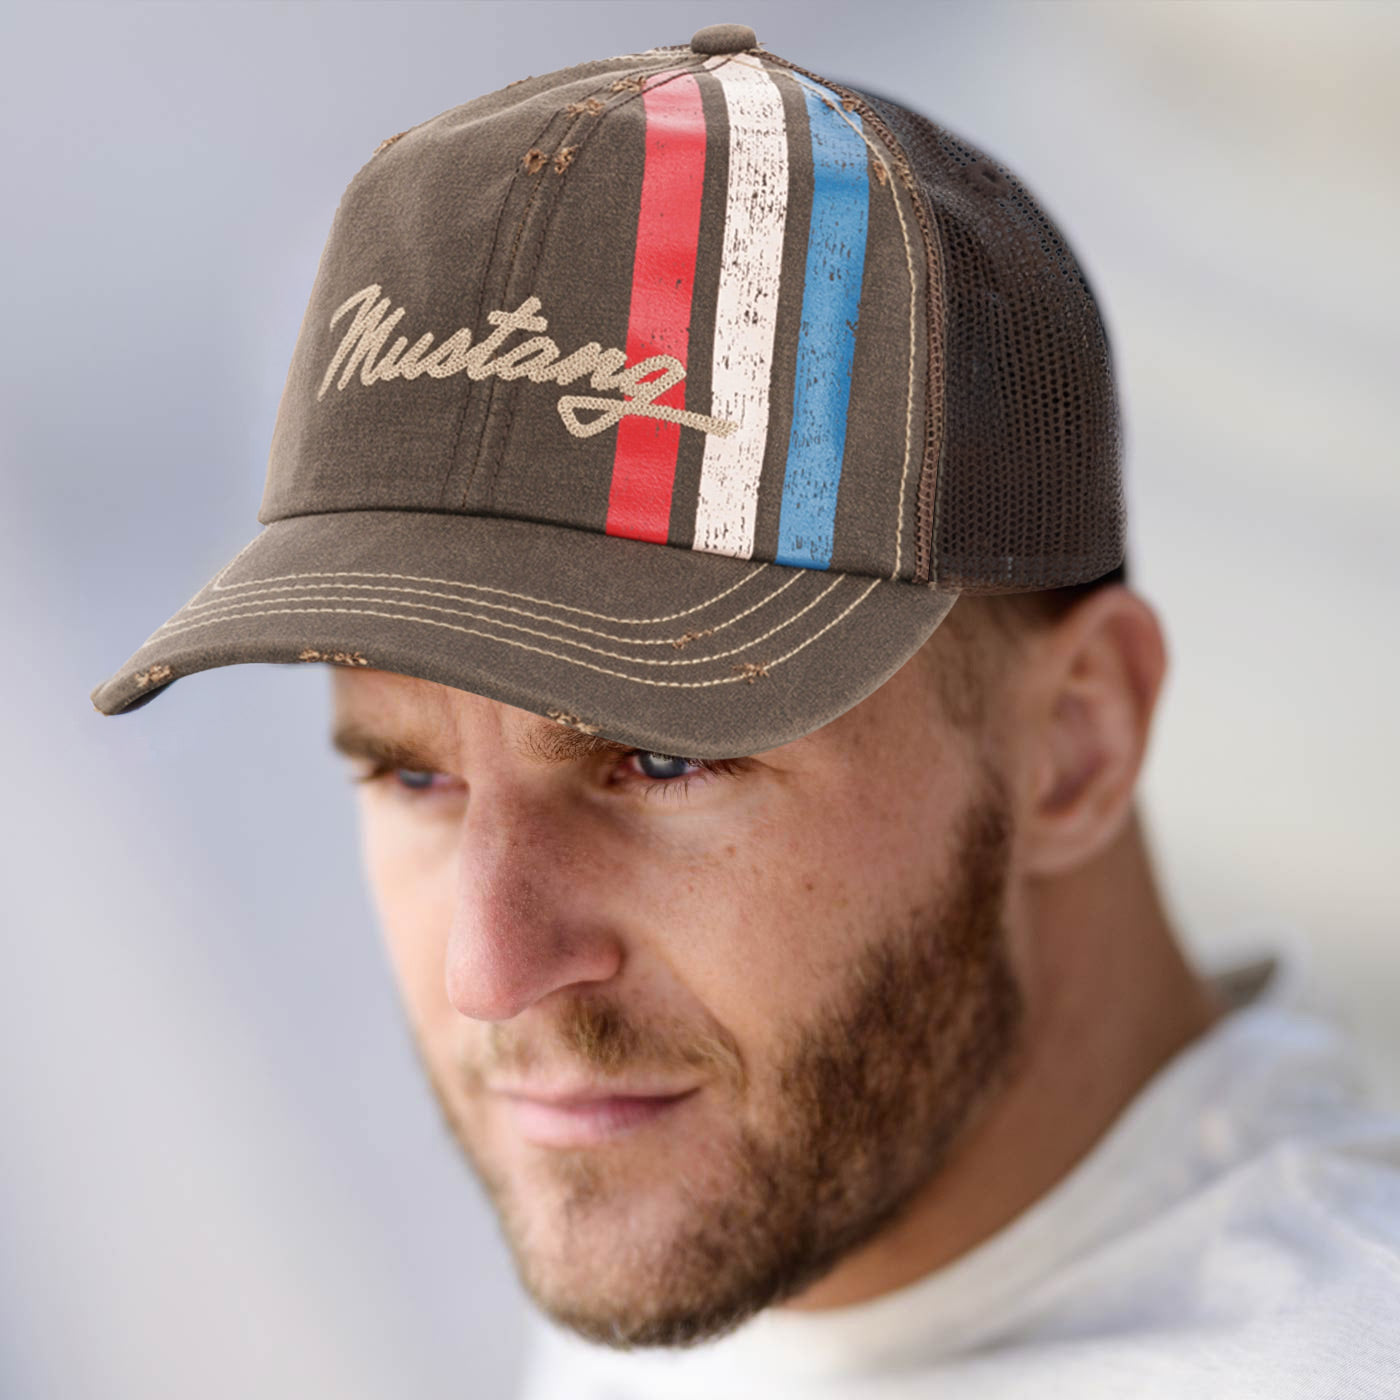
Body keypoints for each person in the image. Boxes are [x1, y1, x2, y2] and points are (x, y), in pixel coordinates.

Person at [89, 21, 1400, 1399]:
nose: (493, 969)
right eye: (412, 778)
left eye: (657, 757)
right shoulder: (754, 1223)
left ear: (1077, 739)